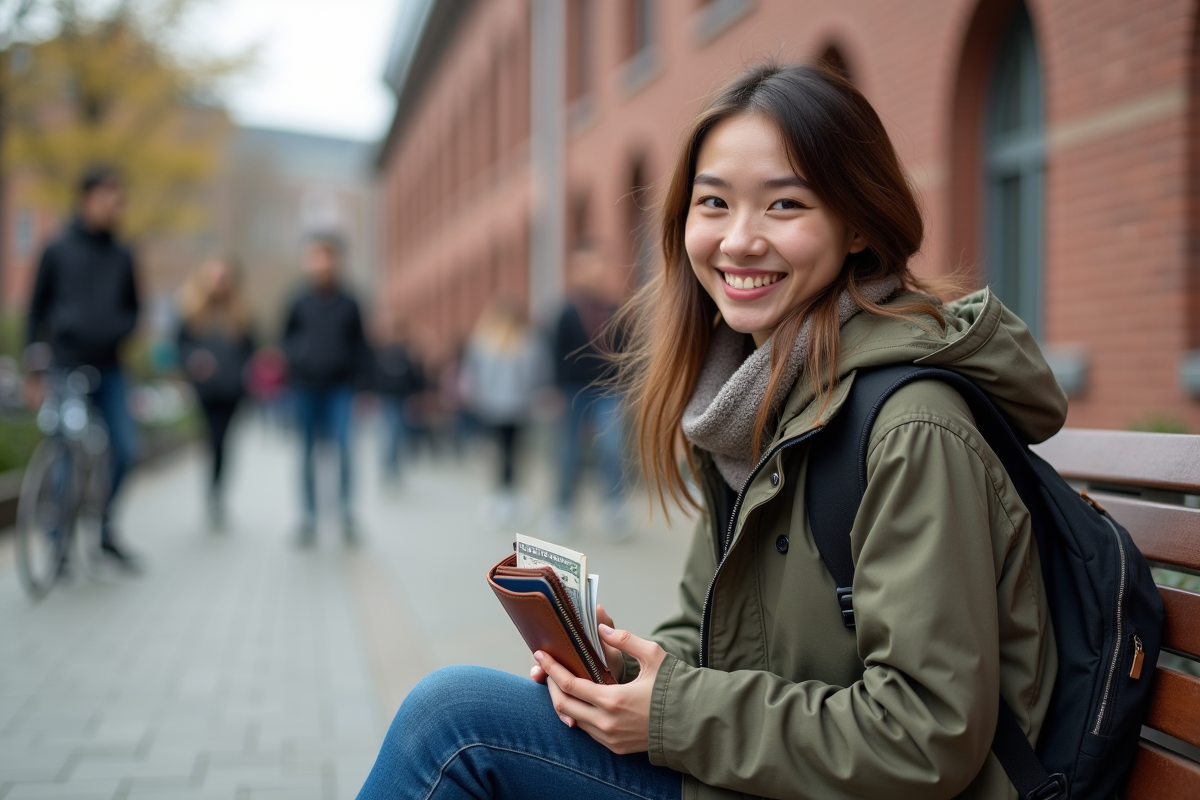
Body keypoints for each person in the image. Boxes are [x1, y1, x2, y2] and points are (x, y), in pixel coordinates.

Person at [357, 61, 1066, 800]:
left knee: (454, 726)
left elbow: (927, 734)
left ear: (857, 223)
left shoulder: (911, 427)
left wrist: (668, 712)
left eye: (785, 205)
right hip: (769, 771)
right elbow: (705, 635)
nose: (739, 240)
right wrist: (622, 675)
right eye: (714, 203)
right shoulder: (748, 403)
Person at [25, 166, 143, 570]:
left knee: (126, 449)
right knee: (64, 450)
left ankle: (104, 528)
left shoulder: (123, 254)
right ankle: (58, 544)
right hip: (65, 365)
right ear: (88, 197)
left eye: (119, 198)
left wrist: (116, 331)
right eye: (110, 196)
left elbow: (134, 308)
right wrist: (34, 367)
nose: (116, 206)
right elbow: (35, 309)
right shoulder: (57, 250)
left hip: (110, 368)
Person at [281, 234, 369, 545]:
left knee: (344, 451)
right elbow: (285, 339)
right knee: (305, 453)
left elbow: (361, 345)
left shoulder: (350, 301)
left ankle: (345, 514)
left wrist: (363, 384)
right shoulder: (297, 300)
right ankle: (307, 517)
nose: (321, 263)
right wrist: (297, 360)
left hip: (340, 389)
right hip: (305, 387)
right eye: (315, 256)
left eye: (327, 256)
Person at [544, 244, 629, 541]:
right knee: (568, 451)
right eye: (586, 266)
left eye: (598, 265)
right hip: (573, 391)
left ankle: (615, 509)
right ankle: (562, 509)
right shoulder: (566, 311)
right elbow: (555, 353)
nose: (593, 272)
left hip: (609, 390)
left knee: (611, 448)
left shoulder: (614, 309)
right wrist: (554, 390)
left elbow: (625, 351)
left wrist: (626, 386)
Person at [176, 255, 255, 529]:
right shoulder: (191, 314)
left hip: (232, 391)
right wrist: (193, 360)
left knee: (224, 443)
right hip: (205, 391)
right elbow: (179, 347)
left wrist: (247, 375)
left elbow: (252, 351)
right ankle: (211, 491)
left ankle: (217, 493)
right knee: (211, 441)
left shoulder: (240, 315)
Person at [459, 298, 547, 525]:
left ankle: (511, 495)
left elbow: (539, 371)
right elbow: (471, 374)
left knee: (514, 451)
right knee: (500, 452)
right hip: (493, 407)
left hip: (518, 406)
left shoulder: (527, 341)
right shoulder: (482, 342)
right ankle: (500, 496)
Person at [374, 320, 426, 481]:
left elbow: (414, 375)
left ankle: (391, 468)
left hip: (398, 397)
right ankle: (390, 468)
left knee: (394, 433)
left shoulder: (391, 351)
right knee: (393, 433)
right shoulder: (395, 351)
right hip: (392, 397)